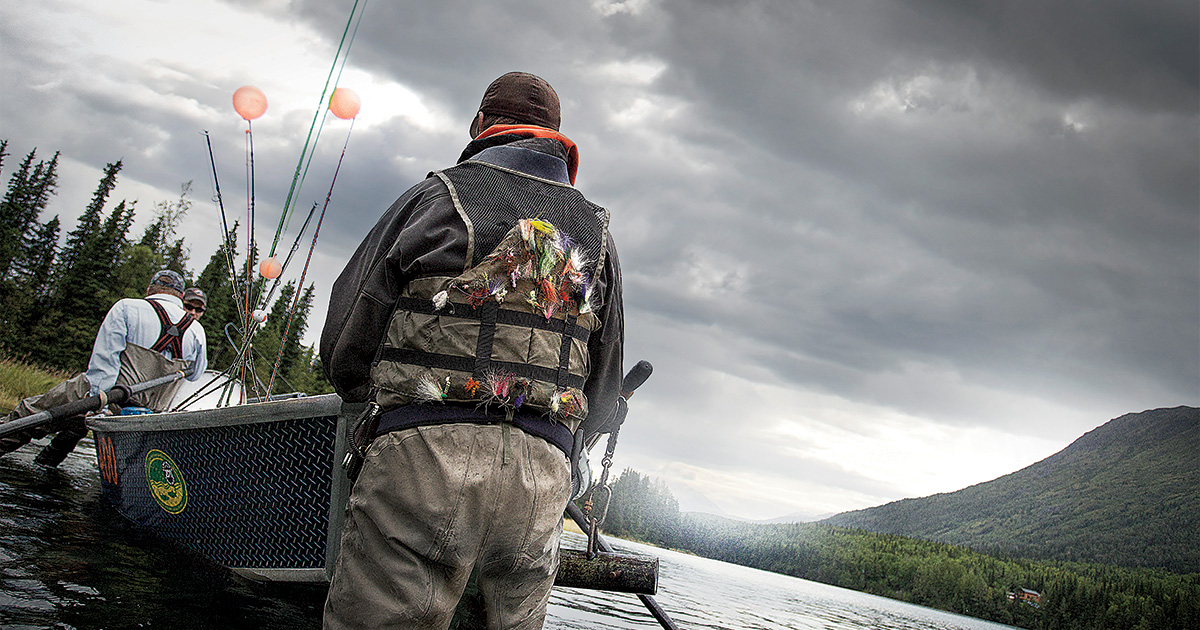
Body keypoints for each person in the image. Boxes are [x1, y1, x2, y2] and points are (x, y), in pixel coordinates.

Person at [320, 72, 624, 629]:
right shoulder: (598, 235)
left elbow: (344, 344)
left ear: (480, 125)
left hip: (421, 458)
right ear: (558, 139)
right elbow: (602, 392)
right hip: (541, 479)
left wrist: (383, 409)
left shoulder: (436, 198)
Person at [0, 270, 208, 466]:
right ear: (181, 296)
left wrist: (97, 403)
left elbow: (104, 360)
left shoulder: (127, 307)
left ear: (149, 290)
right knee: (75, 427)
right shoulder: (197, 330)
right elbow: (195, 375)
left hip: (107, 397)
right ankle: (47, 463)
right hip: (146, 414)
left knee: (30, 413)